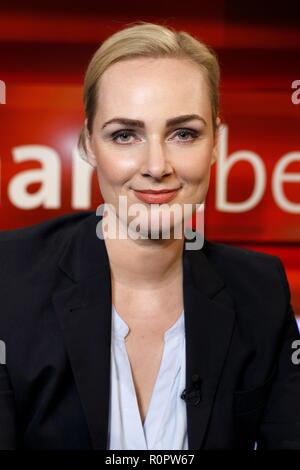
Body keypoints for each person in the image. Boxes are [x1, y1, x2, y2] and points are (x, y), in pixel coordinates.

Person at [0, 21, 300, 451]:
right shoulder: (7, 277)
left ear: (216, 142)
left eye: (184, 134)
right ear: (88, 143)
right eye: (125, 135)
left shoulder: (261, 289)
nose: (157, 165)